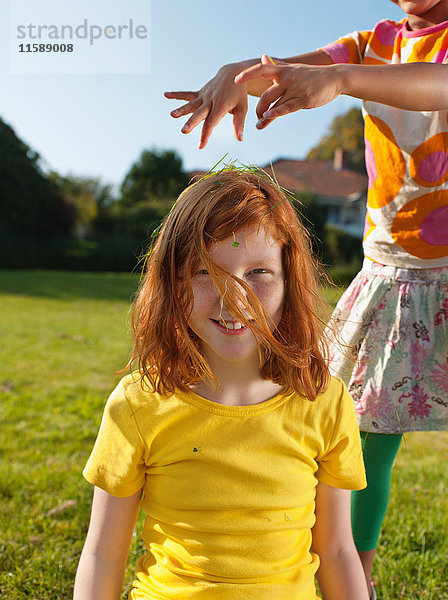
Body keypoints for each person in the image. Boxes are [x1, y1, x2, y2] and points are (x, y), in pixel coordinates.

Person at [164, 2, 448, 599]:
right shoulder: (377, 41)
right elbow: (292, 69)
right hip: (392, 271)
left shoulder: (375, 61)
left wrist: (343, 80)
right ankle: (356, 584)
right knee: (361, 438)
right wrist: (240, 74)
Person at [73, 168, 369, 600]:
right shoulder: (137, 405)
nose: (234, 298)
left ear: (289, 282)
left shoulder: (326, 402)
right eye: (206, 272)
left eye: (259, 273)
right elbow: (103, 554)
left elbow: (338, 549)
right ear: (174, 283)